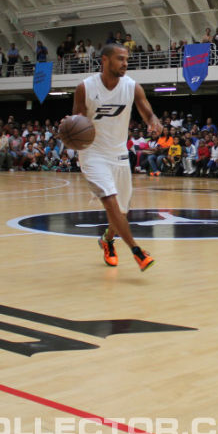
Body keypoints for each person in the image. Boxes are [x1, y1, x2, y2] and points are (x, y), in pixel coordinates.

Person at [71, 43, 162, 271]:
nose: (125, 63)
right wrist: (71, 129)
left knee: (121, 212)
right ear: (104, 60)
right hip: (92, 152)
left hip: (119, 153)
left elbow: (147, 112)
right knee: (109, 198)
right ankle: (137, 251)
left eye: (126, 59)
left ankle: (107, 240)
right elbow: (77, 120)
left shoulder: (132, 87)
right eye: (120, 59)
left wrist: (153, 121)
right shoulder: (85, 87)